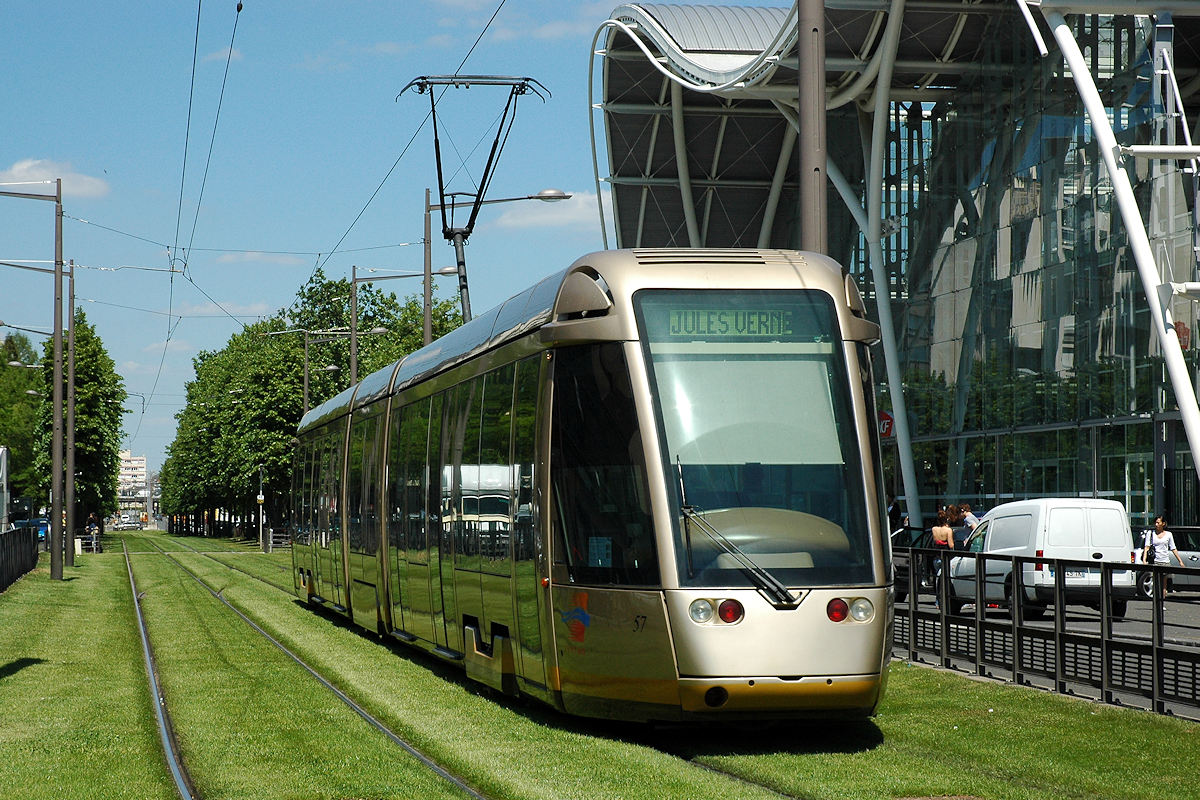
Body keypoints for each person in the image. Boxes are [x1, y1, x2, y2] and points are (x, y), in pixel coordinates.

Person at [1143, 515, 1184, 593]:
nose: (1156, 524)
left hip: (1165, 561)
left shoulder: (1168, 534)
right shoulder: (1150, 533)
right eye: (1155, 523)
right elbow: (1147, 547)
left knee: (1164, 585)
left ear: (1163, 524)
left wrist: (1180, 561)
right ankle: (1156, 603)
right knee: (1155, 583)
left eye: (1158, 523)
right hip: (1154, 561)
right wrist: (1144, 560)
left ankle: (1162, 602)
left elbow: (1173, 548)